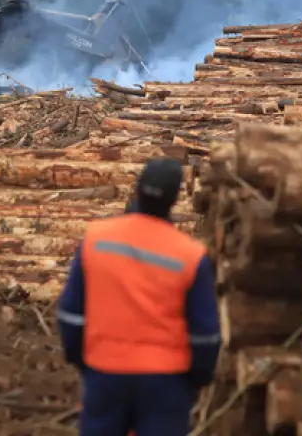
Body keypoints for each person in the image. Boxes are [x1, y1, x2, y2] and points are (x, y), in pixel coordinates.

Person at [56, 157, 221, 436]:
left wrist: (83, 362)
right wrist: (197, 379)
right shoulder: (189, 255)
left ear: (138, 189)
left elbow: (71, 315)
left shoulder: (97, 239)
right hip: (166, 381)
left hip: (106, 372)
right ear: (172, 200)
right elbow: (205, 334)